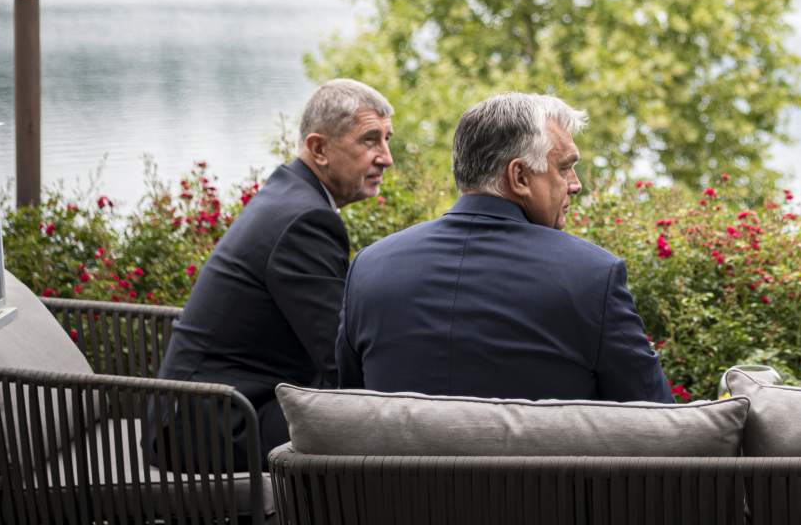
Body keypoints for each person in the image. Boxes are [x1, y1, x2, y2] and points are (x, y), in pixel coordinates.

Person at [336, 91, 671, 402]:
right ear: (520, 177)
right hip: (545, 468)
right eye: (565, 167)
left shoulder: (369, 268)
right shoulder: (593, 276)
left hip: (393, 468)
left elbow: (346, 413)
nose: (576, 184)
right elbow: (658, 420)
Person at [152, 78, 395, 468]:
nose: (386, 157)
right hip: (212, 426)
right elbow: (338, 356)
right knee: (383, 430)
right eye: (370, 140)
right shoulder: (305, 218)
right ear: (319, 149)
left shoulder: (293, 196)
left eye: (387, 139)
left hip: (211, 408)